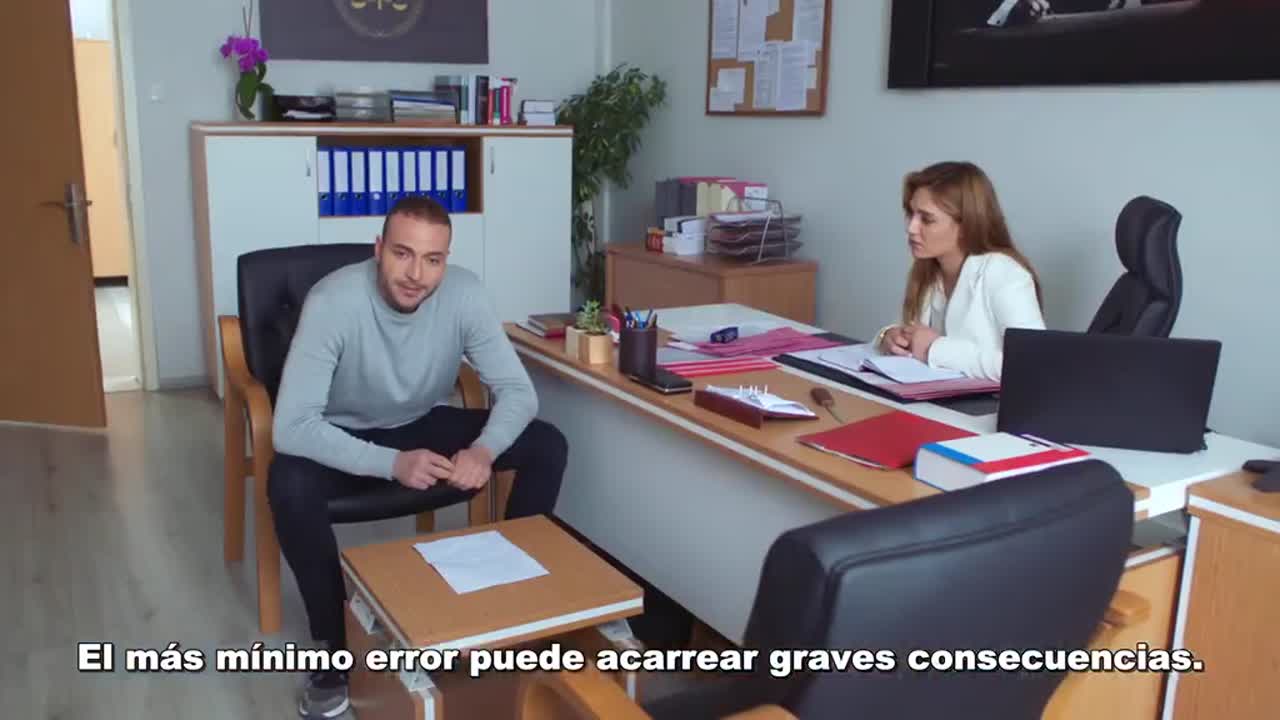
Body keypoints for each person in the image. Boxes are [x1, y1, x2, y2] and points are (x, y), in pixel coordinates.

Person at [268, 196, 567, 718]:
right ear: (378, 249)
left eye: (432, 260)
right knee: (288, 484)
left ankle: (515, 610)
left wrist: (484, 450)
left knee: (547, 444)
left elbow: (518, 392)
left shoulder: (465, 294)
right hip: (344, 435)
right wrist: (392, 463)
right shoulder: (333, 301)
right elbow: (291, 427)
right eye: (402, 254)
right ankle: (334, 652)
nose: (416, 275)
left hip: (420, 423)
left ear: (446, 260)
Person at [874, 161, 1045, 381]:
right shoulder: (927, 269)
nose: (911, 228)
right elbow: (909, 333)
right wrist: (889, 337)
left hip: (988, 403)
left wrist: (935, 348)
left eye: (927, 219)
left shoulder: (1004, 273)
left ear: (966, 225)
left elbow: (1032, 363)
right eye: (911, 214)